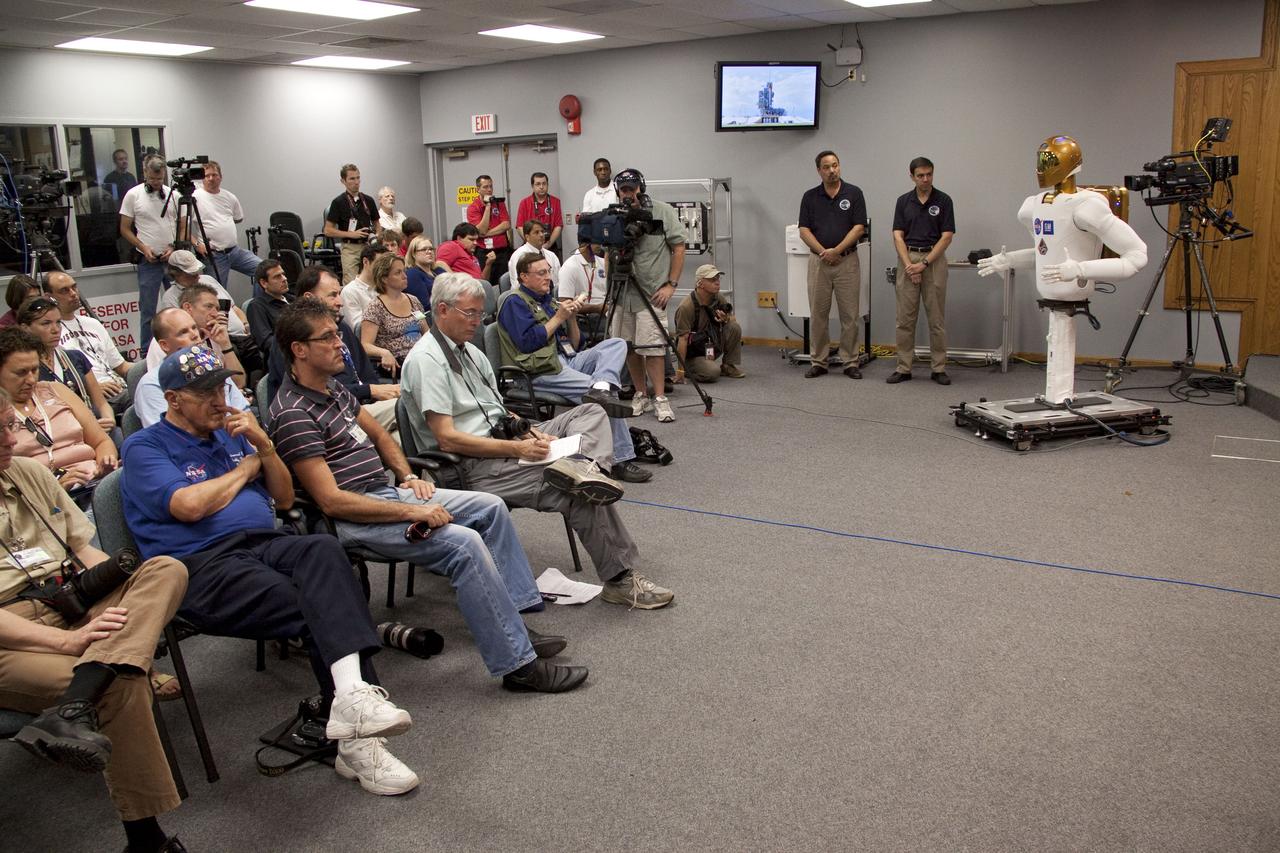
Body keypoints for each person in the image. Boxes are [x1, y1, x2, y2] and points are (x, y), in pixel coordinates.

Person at [123, 344, 419, 796]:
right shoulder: (145, 447)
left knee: (323, 550)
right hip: (199, 565)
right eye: (204, 393)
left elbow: (282, 500)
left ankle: (350, 703)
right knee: (320, 603)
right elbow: (188, 506)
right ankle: (360, 743)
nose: (220, 401)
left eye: (221, 388)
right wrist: (246, 468)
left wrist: (263, 447)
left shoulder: (233, 433)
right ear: (173, 399)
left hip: (263, 543)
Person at [269, 300, 586, 692]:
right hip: (350, 520)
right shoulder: (294, 413)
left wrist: (405, 475)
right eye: (329, 337)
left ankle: (515, 619)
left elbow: (381, 435)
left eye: (338, 334)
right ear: (299, 349)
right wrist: (407, 511)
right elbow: (332, 502)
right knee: (464, 544)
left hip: (384, 494)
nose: (342, 344)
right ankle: (517, 666)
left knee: (490, 507)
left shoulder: (331, 389)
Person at [402, 273, 674, 609]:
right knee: (576, 491)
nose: (476, 321)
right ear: (442, 310)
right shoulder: (427, 361)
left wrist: (527, 430)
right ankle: (619, 580)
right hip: (471, 468)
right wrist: (517, 447)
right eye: (469, 314)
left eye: (479, 314)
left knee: (590, 412)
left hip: (502, 446)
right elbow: (447, 440)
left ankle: (586, 468)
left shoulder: (468, 352)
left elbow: (498, 412)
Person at [0, 389, 190, 853]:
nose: (16, 438)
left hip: (70, 600)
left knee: (164, 568)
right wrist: (68, 643)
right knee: (122, 681)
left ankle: (74, 704)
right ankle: (147, 841)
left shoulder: (27, 472)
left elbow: (83, 549)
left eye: (13, 423)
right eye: (3, 429)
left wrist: (115, 585)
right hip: (14, 634)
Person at [978, 134, 1148, 404]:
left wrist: (1081, 269)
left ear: (1068, 163)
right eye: (1041, 160)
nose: (1042, 167)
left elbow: (1137, 256)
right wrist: (1010, 260)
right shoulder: (1033, 205)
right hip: (1051, 292)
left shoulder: (1087, 207)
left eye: (1049, 160)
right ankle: (1056, 399)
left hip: (1073, 289)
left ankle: (1060, 400)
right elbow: (1045, 254)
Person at [498, 257, 650, 483]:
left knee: (616, 344)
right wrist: (559, 317)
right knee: (606, 396)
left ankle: (601, 386)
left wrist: (571, 319)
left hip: (564, 360)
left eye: (548, 272)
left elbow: (575, 344)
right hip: (538, 370)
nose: (548, 277)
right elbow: (528, 343)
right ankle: (620, 459)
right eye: (540, 273)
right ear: (523, 277)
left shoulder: (547, 300)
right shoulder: (514, 302)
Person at [267, 266, 400, 431]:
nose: (340, 302)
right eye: (332, 295)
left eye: (339, 294)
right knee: (407, 407)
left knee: (404, 438)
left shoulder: (341, 327)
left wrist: (376, 393)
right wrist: (369, 391)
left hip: (359, 408)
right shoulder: (290, 338)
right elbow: (315, 392)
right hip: (324, 417)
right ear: (309, 298)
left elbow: (367, 374)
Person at [0, 328, 117, 505]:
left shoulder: (57, 390)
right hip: (39, 499)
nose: (31, 379)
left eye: (35, 370)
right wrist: (55, 488)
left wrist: (104, 465)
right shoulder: (3, 414)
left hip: (93, 484)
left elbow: (102, 441)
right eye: (21, 372)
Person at [609, 168, 685, 424]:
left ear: (641, 188)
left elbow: (678, 247)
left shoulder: (662, 212)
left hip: (652, 294)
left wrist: (671, 284)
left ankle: (660, 398)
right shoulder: (614, 214)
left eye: (632, 187)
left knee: (652, 347)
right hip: (622, 293)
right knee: (628, 346)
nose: (628, 192)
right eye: (623, 188)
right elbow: (606, 251)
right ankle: (640, 393)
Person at [797, 150, 867, 380]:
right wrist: (823, 252)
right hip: (819, 262)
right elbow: (804, 230)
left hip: (847, 261)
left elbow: (859, 227)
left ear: (840, 166)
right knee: (818, 314)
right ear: (819, 171)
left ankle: (850, 361)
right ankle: (819, 361)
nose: (832, 170)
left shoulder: (854, 193)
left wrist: (836, 251)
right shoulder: (810, 197)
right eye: (826, 167)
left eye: (835, 165)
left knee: (850, 314)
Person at [889, 157, 956, 386]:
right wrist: (910, 265)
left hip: (933, 260)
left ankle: (938, 368)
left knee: (936, 319)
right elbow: (897, 235)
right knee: (904, 319)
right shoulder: (903, 201)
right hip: (908, 257)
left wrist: (924, 264)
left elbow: (947, 237)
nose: (925, 179)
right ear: (912, 176)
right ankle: (903, 367)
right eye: (920, 175)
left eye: (929, 174)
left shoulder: (944, 200)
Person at [135, 308, 251, 428]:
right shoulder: (151, 385)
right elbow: (166, 437)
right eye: (183, 332)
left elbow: (245, 414)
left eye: (194, 328)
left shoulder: (212, 366)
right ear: (165, 345)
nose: (195, 335)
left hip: (236, 439)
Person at [18, 295, 115, 435]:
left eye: (58, 322)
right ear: (25, 328)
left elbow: (101, 403)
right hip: (54, 432)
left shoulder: (75, 357)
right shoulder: (25, 369)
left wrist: (108, 418)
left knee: (117, 434)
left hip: (92, 426)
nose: (55, 329)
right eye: (46, 323)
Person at [48, 272, 133, 412]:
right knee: (137, 397)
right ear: (49, 296)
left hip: (118, 386)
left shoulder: (93, 323)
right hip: (91, 396)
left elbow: (121, 366)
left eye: (74, 287)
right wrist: (90, 388)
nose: (73, 293)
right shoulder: (52, 332)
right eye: (64, 290)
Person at [118, 154, 178, 350]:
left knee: (177, 305)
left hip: (172, 260)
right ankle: (146, 351)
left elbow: (183, 225)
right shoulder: (133, 195)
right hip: (148, 261)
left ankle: (178, 345)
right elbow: (124, 228)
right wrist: (143, 247)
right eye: (152, 179)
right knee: (148, 310)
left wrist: (173, 246)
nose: (156, 183)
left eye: (159, 179)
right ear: (144, 173)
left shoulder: (173, 195)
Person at [145, 284, 248, 392]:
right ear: (188, 308)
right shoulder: (166, 340)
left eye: (217, 308)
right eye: (209, 306)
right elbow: (163, 389)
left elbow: (239, 383)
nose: (215, 314)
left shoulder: (214, 336)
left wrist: (225, 344)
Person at [191, 160, 262, 288]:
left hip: (234, 251)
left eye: (214, 175)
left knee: (263, 271)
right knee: (216, 292)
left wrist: (223, 224)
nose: (211, 178)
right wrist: (197, 245)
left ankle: (258, 306)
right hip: (214, 255)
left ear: (220, 177)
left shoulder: (229, 197)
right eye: (207, 176)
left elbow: (238, 218)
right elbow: (182, 228)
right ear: (202, 178)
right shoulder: (195, 197)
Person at [156, 249, 251, 340]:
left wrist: (245, 324)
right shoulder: (170, 298)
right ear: (176, 274)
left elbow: (233, 307)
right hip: (215, 341)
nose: (197, 276)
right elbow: (181, 331)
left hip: (244, 336)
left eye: (197, 271)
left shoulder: (207, 279)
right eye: (192, 274)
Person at [673, 264, 744, 383]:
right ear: (700, 284)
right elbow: (683, 340)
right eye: (712, 280)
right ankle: (690, 369)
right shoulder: (686, 307)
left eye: (718, 279)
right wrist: (680, 371)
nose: (717, 283)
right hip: (693, 353)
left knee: (734, 327)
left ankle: (728, 366)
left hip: (710, 343)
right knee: (712, 372)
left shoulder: (718, 297)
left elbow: (733, 320)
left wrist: (725, 319)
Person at [361, 253, 426, 378]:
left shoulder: (414, 300)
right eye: (398, 273)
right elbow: (365, 345)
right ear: (384, 278)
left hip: (420, 356)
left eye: (404, 271)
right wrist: (383, 352)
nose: (405, 276)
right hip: (396, 362)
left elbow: (426, 332)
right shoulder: (375, 307)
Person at [323, 164, 380, 285]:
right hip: (350, 248)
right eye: (352, 179)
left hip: (368, 246)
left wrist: (377, 236)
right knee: (352, 284)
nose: (356, 182)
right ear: (343, 181)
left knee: (373, 282)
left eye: (358, 178)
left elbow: (377, 223)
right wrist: (351, 234)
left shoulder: (368, 200)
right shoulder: (338, 202)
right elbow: (327, 230)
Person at [465, 175, 511, 288]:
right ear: (478, 189)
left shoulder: (499, 203)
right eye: (485, 187)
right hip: (483, 252)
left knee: (503, 283)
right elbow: (481, 229)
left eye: (491, 186)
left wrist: (485, 234)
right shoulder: (473, 207)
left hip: (502, 251)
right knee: (485, 284)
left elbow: (506, 225)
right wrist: (487, 207)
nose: (489, 190)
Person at [339, 243, 389, 332]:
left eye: (386, 265)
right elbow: (358, 328)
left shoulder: (386, 287)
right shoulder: (350, 292)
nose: (384, 269)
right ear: (366, 262)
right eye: (380, 264)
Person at [245, 258, 291, 354]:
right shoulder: (257, 306)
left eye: (283, 274)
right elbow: (266, 342)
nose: (284, 279)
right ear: (264, 283)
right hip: (283, 359)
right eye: (277, 276)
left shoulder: (293, 299)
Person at [516, 172, 563, 252]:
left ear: (547, 185)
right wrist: (531, 244)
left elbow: (558, 226)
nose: (541, 187)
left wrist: (549, 244)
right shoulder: (524, 203)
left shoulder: (556, 202)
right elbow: (519, 226)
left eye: (544, 184)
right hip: (530, 247)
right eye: (538, 184)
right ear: (532, 186)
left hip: (549, 245)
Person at [507, 220, 561, 287]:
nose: (541, 235)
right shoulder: (520, 256)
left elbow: (559, 281)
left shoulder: (551, 255)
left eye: (542, 232)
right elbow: (518, 285)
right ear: (527, 237)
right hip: (526, 296)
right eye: (536, 232)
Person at [404, 234, 446, 307]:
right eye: (424, 249)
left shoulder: (439, 270)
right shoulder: (412, 274)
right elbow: (425, 305)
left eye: (431, 249)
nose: (429, 252)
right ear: (413, 254)